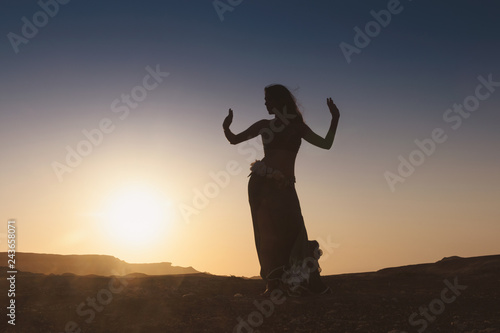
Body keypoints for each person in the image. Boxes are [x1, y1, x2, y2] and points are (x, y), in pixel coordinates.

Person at [222, 84, 340, 296]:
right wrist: (226, 127)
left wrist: (335, 119)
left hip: (284, 185)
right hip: (261, 184)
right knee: (267, 234)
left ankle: (307, 282)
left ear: (279, 101)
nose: (265, 103)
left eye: (268, 99)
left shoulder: (298, 128)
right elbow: (234, 139)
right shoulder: (264, 125)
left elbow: (326, 144)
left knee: (295, 231)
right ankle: (273, 285)